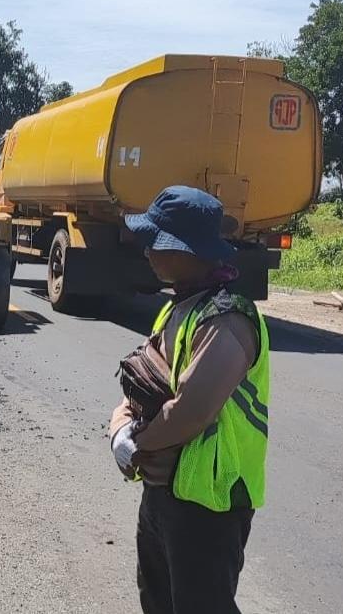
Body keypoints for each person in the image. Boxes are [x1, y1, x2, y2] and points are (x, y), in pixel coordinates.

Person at [109, 185, 270, 614]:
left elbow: (191, 411)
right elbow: (143, 382)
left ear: (187, 251)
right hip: (165, 492)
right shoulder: (178, 307)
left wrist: (136, 444)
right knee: (157, 599)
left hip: (209, 505)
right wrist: (119, 428)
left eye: (155, 241)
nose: (146, 250)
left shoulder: (228, 317)